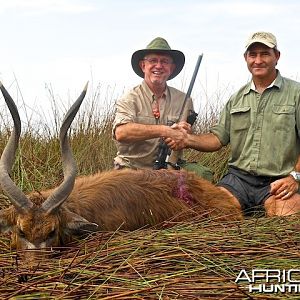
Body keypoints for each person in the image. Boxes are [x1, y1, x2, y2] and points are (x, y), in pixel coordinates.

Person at [166, 31, 300, 217]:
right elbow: (217, 138)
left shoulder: (296, 93)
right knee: (212, 216)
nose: (258, 60)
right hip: (238, 180)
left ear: (277, 57)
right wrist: (186, 139)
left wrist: (295, 177)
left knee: (287, 221)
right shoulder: (236, 99)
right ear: (246, 58)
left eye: (265, 54)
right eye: (253, 55)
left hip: (279, 181)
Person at [112, 37, 196, 171]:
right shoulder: (129, 98)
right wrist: (165, 130)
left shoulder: (184, 100)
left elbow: (184, 138)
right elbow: (121, 133)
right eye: (153, 60)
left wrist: (184, 137)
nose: (158, 66)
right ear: (143, 66)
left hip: (169, 168)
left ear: (172, 68)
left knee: (203, 177)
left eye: (164, 61)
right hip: (131, 169)